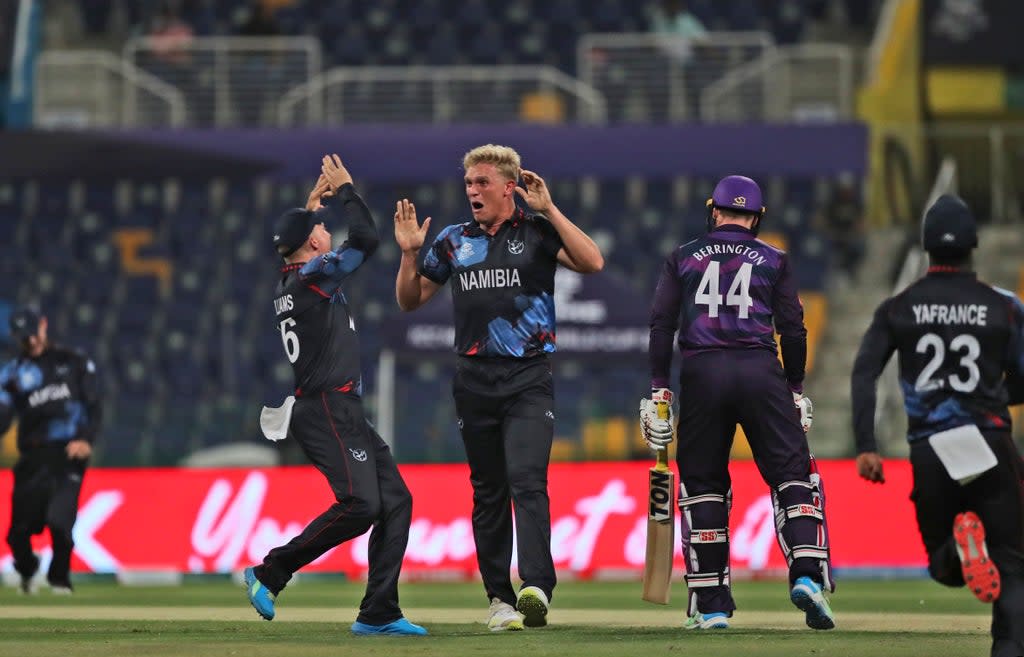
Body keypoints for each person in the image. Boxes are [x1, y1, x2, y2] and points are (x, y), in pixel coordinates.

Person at [393, 144, 604, 631]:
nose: (472, 191)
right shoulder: (451, 240)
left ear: (510, 187)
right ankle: (499, 599)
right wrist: (408, 256)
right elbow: (410, 301)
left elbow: (592, 262)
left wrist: (549, 207)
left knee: (527, 481)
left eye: (482, 182)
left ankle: (536, 587)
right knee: (487, 491)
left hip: (528, 377)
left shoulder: (535, 231)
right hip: (474, 380)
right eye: (468, 183)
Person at [244, 154, 426, 637]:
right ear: (313, 244)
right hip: (327, 405)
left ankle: (379, 612)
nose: (330, 232)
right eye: (321, 229)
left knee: (396, 501)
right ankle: (271, 571)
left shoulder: (292, 279)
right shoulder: (313, 275)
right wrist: (347, 191)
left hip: (335, 405)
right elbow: (365, 240)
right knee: (362, 505)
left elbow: (299, 248)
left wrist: (306, 212)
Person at [642, 175, 835, 631]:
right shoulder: (775, 259)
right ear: (757, 218)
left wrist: (659, 389)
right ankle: (807, 574)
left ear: (714, 211)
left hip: (703, 373)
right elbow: (793, 329)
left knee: (704, 484)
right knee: (793, 474)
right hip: (759, 372)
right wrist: (795, 388)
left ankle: (710, 605)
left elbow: (660, 325)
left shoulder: (683, 257)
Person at [850, 194, 1024, 657]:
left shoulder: (898, 307)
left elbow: (865, 371)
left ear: (926, 246)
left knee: (941, 565)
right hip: (989, 439)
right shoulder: (1003, 306)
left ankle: (959, 552)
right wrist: (995, 396)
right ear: (974, 244)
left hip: (930, 448)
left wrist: (866, 443)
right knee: (1013, 564)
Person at [1, 305, 101, 594]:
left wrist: (86, 439)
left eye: (33, 333)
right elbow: (3, 416)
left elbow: (93, 405)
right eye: (23, 338)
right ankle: (28, 568)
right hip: (32, 456)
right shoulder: (11, 374)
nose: (31, 341)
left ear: (43, 326)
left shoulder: (74, 362)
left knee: (60, 522)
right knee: (18, 533)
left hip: (69, 453)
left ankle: (59, 579)